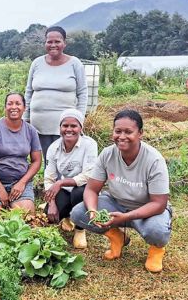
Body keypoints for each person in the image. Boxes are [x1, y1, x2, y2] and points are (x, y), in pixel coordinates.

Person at [70, 110, 172, 273]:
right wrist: (92, 210)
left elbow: (159, 203)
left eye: (128, 132)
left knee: (157, 231)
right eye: (118, 131)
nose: (122, 136)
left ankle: (156, 250)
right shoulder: (107, 154)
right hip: (116, 203)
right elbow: (91, 189)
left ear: (140, 134)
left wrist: (127, 217)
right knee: (78, 213)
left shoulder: (154, 160)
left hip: (147, 209)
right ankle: (117, 237)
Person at [23, 25, 88, 164]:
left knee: (66, 160)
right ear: (45, 43)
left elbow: (82, 93)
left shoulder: (74, 63)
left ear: (64, 43)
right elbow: (28, 91)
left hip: (66, 124)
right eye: (49, 41)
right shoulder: (37, 63)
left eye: (57, 41)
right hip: (39, 123)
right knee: (47, 160)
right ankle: (50, 185)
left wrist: (79, 119)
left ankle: (66, 185)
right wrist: (26, 117)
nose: (53, 45)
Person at [0, 93, 42, 215]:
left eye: (18, 103)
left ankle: (12, 204)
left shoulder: (31, 131)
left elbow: (37, 161)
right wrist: (0, 188)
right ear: (5, 107)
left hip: (20, 181)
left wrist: (22, 183)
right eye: (10, 103)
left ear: (24, 107)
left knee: (25, 215)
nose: (14, 107)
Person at [43, 108, 98, 249]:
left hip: (84, 188)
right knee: (49, 215)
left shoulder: (89, 145)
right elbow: (49, 179)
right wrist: (53, 203)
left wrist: (61, 182)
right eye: (65, 125)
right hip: (65, 189)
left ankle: (80, 228)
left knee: (78, 193)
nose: (69, 129)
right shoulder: (53, 148)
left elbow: (89, 175)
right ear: (60, 128)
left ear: (80, 128)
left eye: (73, 126)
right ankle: (67, 217)